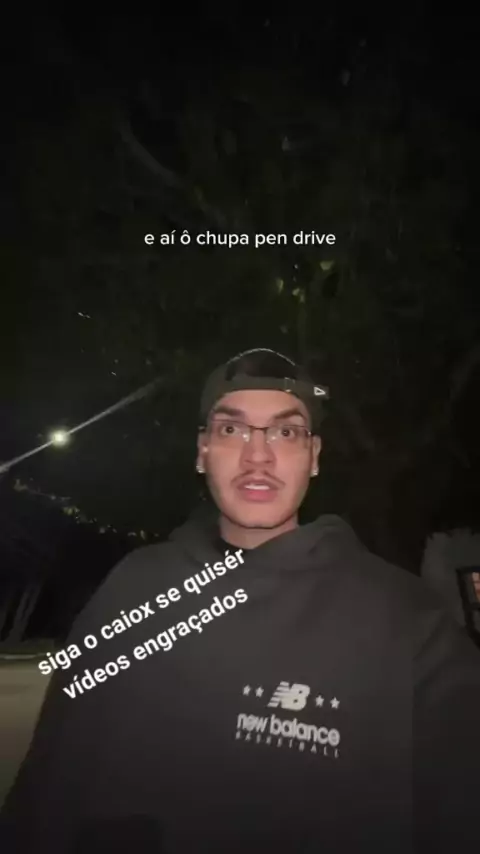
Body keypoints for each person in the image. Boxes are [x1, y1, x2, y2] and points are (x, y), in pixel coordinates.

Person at [1, 347, 480, 853]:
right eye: (232, 429)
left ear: (314, 456)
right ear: (202, 450)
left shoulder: (406, 620)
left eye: (286, 432)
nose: (258, 455)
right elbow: (44, 794)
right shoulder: (132, 589)